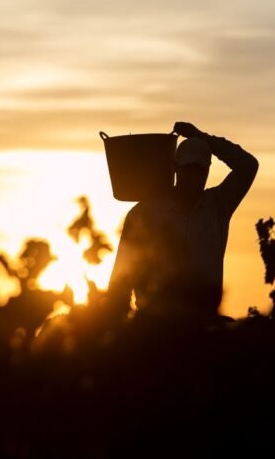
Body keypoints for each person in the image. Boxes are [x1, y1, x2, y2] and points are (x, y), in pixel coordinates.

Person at [106, 121, 258, 322]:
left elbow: (248, 166)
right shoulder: (145, 213)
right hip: (155, 326)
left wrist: (201, 137)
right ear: (176, 168)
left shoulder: (217, 206)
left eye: (200, 171)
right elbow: (122, 278)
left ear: (207, 172)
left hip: (204, 324)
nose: (194, 177)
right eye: (189, 169)